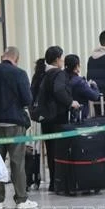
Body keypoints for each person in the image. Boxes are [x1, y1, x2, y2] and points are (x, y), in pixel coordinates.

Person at [0, 46, 36, 209]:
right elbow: (27, 99)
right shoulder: (20, 74)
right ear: (16, 59)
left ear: (2, 56)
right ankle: (21, 199)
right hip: (14, 124)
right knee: (18, 162)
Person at [39, 46, 80, 191]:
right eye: (61, 58)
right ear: (57, 59)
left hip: (45, 118)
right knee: (61, 149)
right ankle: (60, 180)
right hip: (58, 117)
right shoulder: (59, 74)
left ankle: (52, 181)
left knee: (50, 150)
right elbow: (59, 90)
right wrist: (70, 102)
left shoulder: (41, 72)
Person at [65, 54, 100, 120]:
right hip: (78, 117)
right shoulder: (79, 82)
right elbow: (94, 96)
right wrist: (94, 86)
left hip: (64, 116)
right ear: (77, 66)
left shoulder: (61, 78)